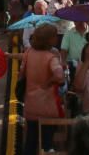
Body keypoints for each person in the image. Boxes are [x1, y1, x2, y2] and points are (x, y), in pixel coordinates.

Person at [21, 23, 65, 155]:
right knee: (47, 144)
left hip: (31, 104)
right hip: (47, 105)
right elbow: (59, 76)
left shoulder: (28, 53)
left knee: (30, 141)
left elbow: (21, 74)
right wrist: (49, 81)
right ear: (49, 39)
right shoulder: (51, 57)